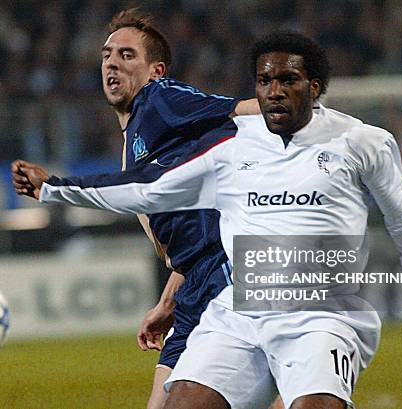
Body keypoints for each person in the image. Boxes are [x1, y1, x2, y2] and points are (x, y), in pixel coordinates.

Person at [13, 31, 402, 409]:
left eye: (288, 80)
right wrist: (52, 187)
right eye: (264, 80)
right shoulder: (232, 147)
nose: (274, 91)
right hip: (238, 311)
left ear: (313, 87)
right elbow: (148, 189)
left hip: (322, 314)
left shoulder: (363, 142)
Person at [40, 8, 276, 409]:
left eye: (128, 55)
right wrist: (167, 303)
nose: (112, 62)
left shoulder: (160, 98)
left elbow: (241, 110)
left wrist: (301, 112)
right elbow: (190, 235)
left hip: (225, 279)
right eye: (107, 55)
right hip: (192, 289)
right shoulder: (137, 138)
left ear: (156, 71)